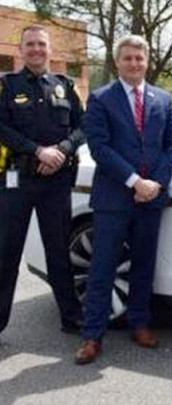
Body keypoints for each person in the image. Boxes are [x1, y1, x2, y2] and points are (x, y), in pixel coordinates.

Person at [74, 35, 172, 364]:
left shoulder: (163, 99)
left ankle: (139, 323)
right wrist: (135, 181)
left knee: (143, 265)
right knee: (102, 268)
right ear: (117, 61)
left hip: (151, 199)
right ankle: (92, 336)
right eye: (128, 58)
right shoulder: (101, 99)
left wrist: (154, 185)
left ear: (147, 61)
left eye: (139, 58)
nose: (134, 63)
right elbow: (100, 147)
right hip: (114, 199)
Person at [0, 24, 84, 335]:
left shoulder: (65, 85)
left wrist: (61, 151)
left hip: (56, 181)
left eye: (41, 45)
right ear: (20, 50)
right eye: (30, 44)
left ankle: (71, 318)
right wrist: (37, 152)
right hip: (15, 181)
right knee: (6, 253)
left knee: (59, 251)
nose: (36, 49)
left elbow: (83, 126)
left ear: (50, 50)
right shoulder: (6, 86)